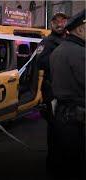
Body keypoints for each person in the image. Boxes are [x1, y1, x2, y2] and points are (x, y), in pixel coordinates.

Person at [49, 9, 85, 179]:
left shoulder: (58, 50)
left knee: (63, 160)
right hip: (78, 119)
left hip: (61, 116)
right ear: (80, 29)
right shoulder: (81, 53)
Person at [35, 12, 68, 172]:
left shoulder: (68, 39)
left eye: (63, 20)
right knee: (55, 129)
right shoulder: (47, 42)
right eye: (57, 20)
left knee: (65, 128)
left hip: (65, 90)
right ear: (52, 23)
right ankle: (53, 164)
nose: (60, 23)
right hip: (52, 91)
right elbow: (39, 62)